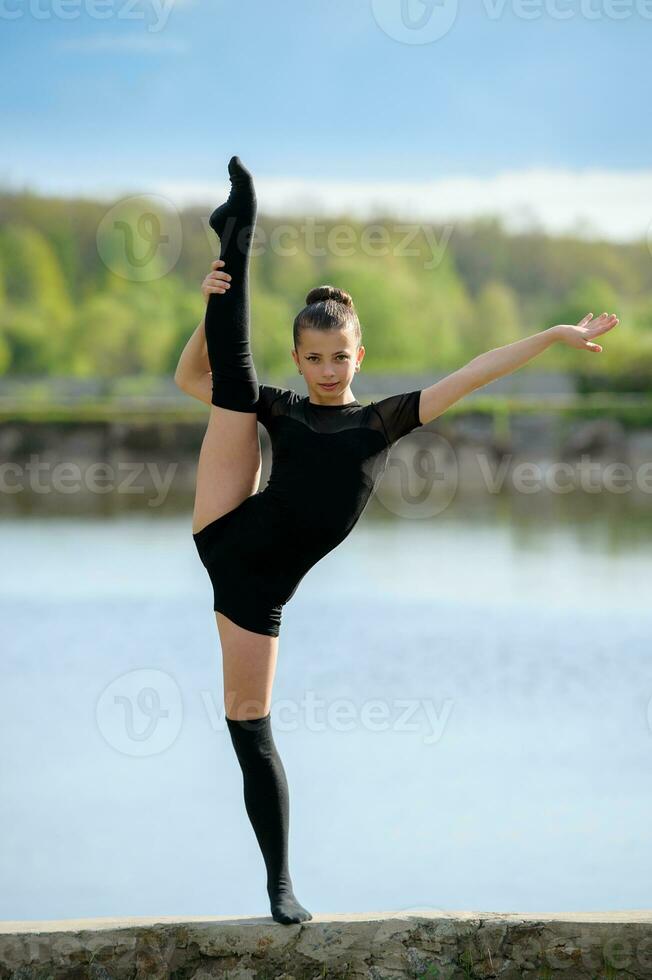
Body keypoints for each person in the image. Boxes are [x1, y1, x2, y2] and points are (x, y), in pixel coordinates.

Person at [174, 156, 619, 925]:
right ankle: (236, 242)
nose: (324, 369)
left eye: (337, 356)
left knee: (250, 726)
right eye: (312, 358)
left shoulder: (378, 422)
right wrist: (203, 311)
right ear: (299, 357)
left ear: (359, 355)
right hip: (227, 530)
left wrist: (552, 334)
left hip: (257, 590)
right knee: (236, 387)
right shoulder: (280, 407)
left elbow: (474, 373)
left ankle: (279, 886)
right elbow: (193, 380)